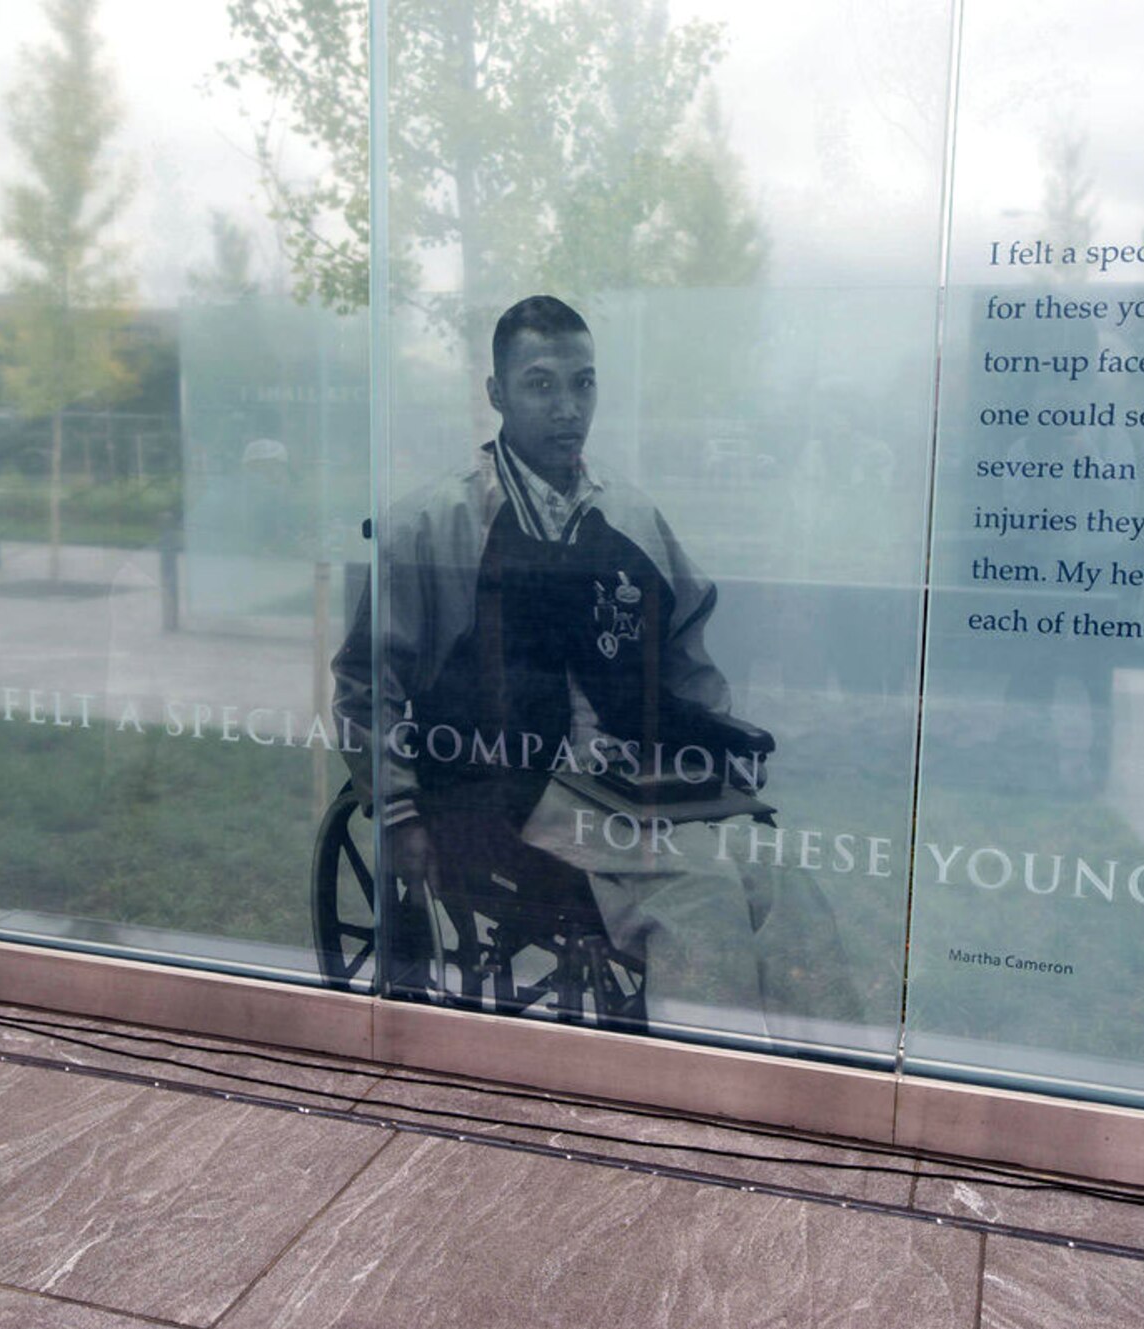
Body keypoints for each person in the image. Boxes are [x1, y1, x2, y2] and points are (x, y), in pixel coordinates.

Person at [332, 295, 856, 1044]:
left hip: (633, 778)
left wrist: (711, 755)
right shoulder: (437, 524)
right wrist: (401, 808)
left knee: (777, 875)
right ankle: (706, 1105)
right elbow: (365, 683)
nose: (567, 407)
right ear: (496, 395)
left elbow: (686, 661)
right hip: (506, 784)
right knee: (700, 895)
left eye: (583, 384)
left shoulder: (632, 517)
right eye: (541, 384)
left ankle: (834, 1088)